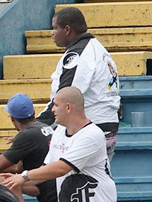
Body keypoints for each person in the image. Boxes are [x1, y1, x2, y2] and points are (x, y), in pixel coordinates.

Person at [37, 7, 120, 160]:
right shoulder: (98, 49)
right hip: (107, 122)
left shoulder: (78, 55)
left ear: (67, 29)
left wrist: (37, 126)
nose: (52, 33)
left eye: (55, 28)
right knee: (96, 175)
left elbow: (65, 96)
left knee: (74, 177)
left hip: (91, 126)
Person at [0, 93, 58, 202]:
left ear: (12, 118)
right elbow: (17, 168)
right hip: (52, 196)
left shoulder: (26, 135)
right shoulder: (42, 128)